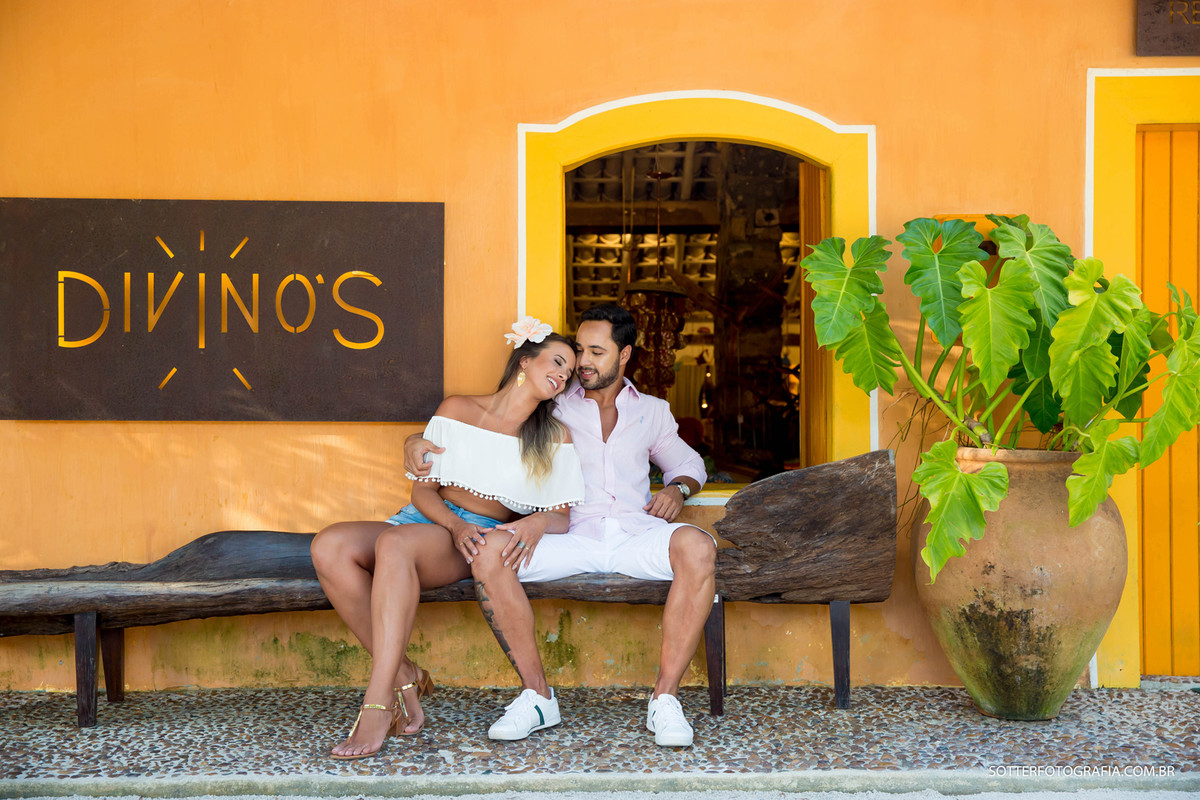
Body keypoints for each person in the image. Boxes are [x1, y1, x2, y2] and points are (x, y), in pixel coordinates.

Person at [405, 304, 716, 747]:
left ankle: (664, 701)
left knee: (699, 547)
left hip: (636, 532)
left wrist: (677, 490)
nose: (583, 363)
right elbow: (482, 430)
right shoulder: (553, 405)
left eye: (596, 351)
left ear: (624, 355)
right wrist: (414, 440)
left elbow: (688, 465)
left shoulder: (653, 411)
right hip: (568, 534)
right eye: (578, 352)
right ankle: (537, 697)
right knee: (490, 554)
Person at [311, 317, 584, 760]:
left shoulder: (553, 437)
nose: (562, 375)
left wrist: (532, 522)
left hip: (472, 537)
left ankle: (378, 703)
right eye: (556, 362)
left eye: (568, 373)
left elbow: (561, 516)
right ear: (524, 361)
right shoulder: (457, 409)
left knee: (394, 546)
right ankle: (404, 675)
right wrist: (450, 524)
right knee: (329, 545)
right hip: (429, 520)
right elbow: (421, 489)